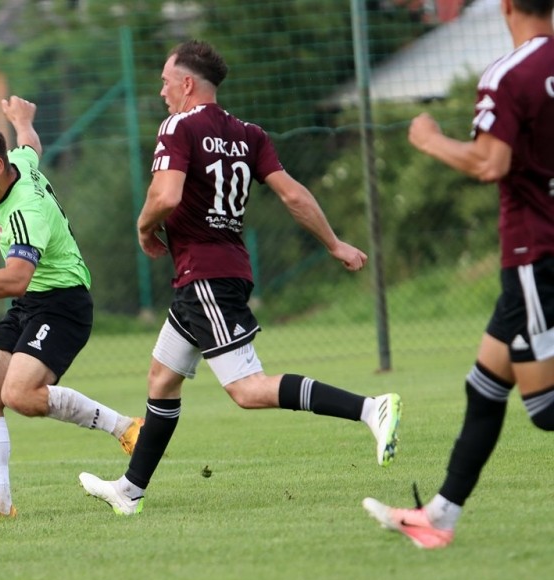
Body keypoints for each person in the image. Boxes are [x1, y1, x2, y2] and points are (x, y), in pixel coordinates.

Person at [78, 40, 402, 516]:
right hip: (219, 273)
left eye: (166, 82)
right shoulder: (250, 134)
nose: (162, 92)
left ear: (187, 83)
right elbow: (293, 196)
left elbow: (165, 196)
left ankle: (371, 408)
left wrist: (144, 228)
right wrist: (334, 243)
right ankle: (130, 490)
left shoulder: (178, 126)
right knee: (162, 379)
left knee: (247, 390)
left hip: (205, 277)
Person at [363, 0, 554, 549]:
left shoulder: (509, 74)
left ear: (507, 6)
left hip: (535, 253)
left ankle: (440, 516)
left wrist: (428, 138)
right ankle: (440, 516)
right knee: (484, 386)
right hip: (537, 256)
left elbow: (490, 162)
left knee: (545, 408)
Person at [0, 95, 143, 527]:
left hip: (63, 304)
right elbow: (30, 147)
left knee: (19, 395)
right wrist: (23, 119)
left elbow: (15, 279)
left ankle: (126, 428)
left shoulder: (24, 210)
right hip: (31, 303)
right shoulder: (18, 164)